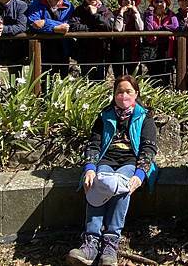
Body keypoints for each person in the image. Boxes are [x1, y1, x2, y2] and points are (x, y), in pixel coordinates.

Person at [67, 75, 157, 266]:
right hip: (106, 159)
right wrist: (90, 168)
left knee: (121, 186)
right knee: (97, 182)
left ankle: (110, 243)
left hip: (131, 162)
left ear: (136, 93)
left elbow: (148, 148)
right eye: (119, 92)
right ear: (114, 94)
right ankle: (91, 242)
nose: (123, 95)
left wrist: (140, 175)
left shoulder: (144, 116)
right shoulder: (105, 115)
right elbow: (93, 144)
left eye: (128, 91)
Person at [27, 0, 74, 81]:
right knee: (41, 80)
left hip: (63, 50)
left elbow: (69, 25)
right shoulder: (35, 4)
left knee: (62, 81)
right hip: (42, 50)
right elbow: (33, 24)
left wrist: (44, 22)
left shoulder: (70, 6)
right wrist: (55, 28)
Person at [69, 0, 114, 81]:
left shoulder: (106, 11)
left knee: (100, 82)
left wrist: (95, 15)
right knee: (85, 82)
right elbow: (73, 27)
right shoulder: (79, 11)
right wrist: (95, 29)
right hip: (84, 53)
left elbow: (109, 27)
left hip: (102, 53)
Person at [143, 0, 178, 86]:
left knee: (166, 74)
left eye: (161, 1)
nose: (159, 4)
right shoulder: (148, 14)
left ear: (166, 3)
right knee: (153, 75)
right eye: (156, 1)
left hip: (167, 48)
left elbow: (175, 26)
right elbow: (149, 28)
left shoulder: (171, 14)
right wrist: (150, 14)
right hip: (152, 48)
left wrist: (160, 29)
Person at [111, 0, 144, 78]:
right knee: (119, 78)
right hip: (118, 51)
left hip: (134, 51)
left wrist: (136, 14)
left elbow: (141, 28)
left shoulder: (139, 14)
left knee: (135, 78)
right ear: (121, 0)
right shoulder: (114, 13)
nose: (129, 1)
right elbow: (117, 29)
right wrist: (121, 13)